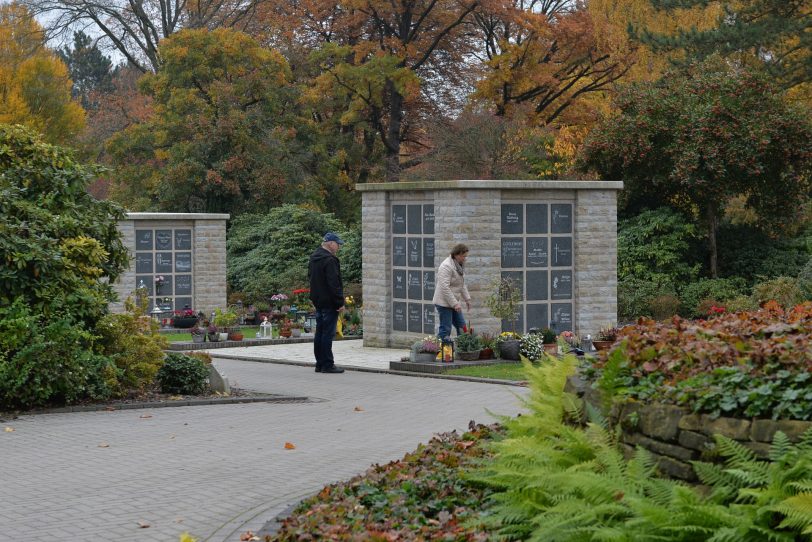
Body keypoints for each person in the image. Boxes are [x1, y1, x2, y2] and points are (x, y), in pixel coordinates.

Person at [308, 232, 346, 373]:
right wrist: (339, 302)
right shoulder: (330, 260)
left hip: (318, 301)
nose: (338, 247)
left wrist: (314, 298)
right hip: (330, 302)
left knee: (320, 332)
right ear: (330, 243)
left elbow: (310, 279)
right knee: (327, 334)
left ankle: (319, 363)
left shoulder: (314, 257)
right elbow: (334, 283)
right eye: (338, 244)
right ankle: (327, 365)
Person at [432, 243, 472, 341]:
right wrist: (455, 304)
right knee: (446, 329)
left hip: (453, 303)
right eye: (463, 256)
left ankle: (462, 352)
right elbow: (444, 287)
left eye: (466, 256)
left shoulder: (459, 265)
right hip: (443, 303)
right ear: (457, 255)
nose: (465, 258)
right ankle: (439, 352)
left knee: (462, 328)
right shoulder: (446, 266)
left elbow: (461, 283)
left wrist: (467, 299)